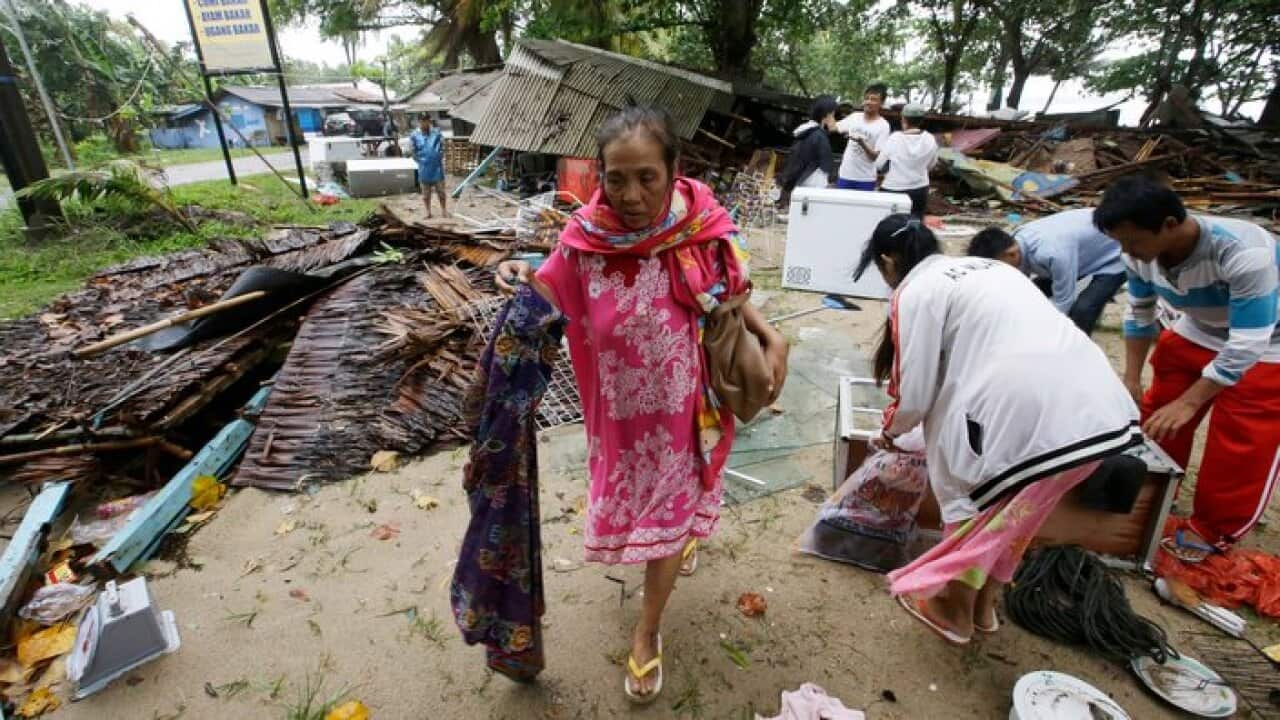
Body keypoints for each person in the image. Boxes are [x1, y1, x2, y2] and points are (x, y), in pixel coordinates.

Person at [494, 105, 789, 702]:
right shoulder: (583, 242)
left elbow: (727, 292)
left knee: (671, 515)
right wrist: (517, 272)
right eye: (616, 178)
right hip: (617, 422)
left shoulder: (699, 224)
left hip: (688, 412)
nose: (631, 194)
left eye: (646, 177)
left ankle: (647, 633)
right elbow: (547, 285)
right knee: (641, 516)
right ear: (600, 175)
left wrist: (769, 333)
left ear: (673, 170)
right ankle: (672, 551)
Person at [856, 214, 1139, 645]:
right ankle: (984, 606)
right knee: (1014, 518)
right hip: (1099, 412)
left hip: (1026, 412)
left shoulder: (917, 290)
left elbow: (912, 388)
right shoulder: (990, 270)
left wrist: (892, 431)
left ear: (887, 262)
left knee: (975, 509)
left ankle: (953, 611)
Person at [1094, 175, 1280, 562]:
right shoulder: (1137, 254)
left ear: (1170, 224)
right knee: (1156, 413)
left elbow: (1248, 342)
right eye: (1120, 243)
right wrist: (1131, 377)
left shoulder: (1243, 252)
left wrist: (1190, 402)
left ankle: (1215, 528)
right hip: (1199, 327)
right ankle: (1154, 492)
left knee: (1241, 440)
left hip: (1268, 343)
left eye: (1134, 241)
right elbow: (1140, 312)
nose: (1127, 251)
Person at [967, 209, 1126, 335]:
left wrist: (1039, 332)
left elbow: (1064, 301)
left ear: (1012, 254)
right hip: (1085, 251)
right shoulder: (1016, 239)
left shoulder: (1053, 253)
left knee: (1083, 309)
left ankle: (1075, 352)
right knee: (1032, 292)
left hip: (1114, 254)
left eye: (999, 266)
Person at [875, 104, 937, 217]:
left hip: (893, 188)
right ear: (922, 120)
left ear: (903, 118)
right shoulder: (930, 139)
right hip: (919, 189)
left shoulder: (895, 138)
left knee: (890, 225)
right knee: (914, 224)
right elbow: (931, 165)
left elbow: (879, 164)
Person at [777, 95, 838, 200]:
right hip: (811, 189)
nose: (834, 118)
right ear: (826, 115)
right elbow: (825, 167)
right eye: (833, 115)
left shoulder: (807, 132)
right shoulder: (819, 136)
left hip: (802, 187)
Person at [835, 83, 892, 191]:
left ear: (882, 103)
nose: (868, 102)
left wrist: (862, 143)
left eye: (874, 99)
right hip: (845, 175)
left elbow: (875, 157)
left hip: (866, 179)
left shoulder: (884, 126)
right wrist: (828, 111)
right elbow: (834, 128)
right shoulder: (855, 117)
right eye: (866, 98)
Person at [409, 115, 447, 218]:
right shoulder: (414, 135)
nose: (424, 123)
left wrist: (440, 155)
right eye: (422, 121)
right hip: (424, 168)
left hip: (437, 168)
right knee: (425, 194)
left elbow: (443, 145)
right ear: (419, 122)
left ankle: (444, 211)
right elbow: (412, 151)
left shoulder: (437, 133)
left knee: (441, 192)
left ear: (429, 121)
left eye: (426, 121)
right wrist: (420, 161)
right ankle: (428, 212)